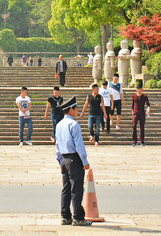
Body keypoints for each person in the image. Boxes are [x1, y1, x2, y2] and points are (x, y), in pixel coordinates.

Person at [55, 96, 92, 227]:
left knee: (66, 189)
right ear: (71, 109)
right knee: (76, 189)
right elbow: (79, 145)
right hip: (74, 159)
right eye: (76, 109)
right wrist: (85, 161)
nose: (77, 111)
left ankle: (65, 216)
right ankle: (78, 217)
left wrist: (59, 160)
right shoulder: (74, 124)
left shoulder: (59, 125)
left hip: (64, 158)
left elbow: (57, 145)